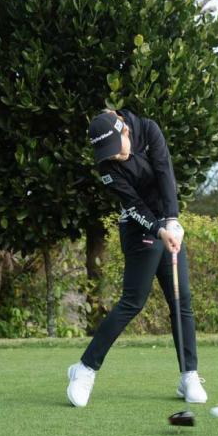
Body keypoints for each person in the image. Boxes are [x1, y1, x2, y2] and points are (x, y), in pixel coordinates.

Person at [66, 108, 207, 407]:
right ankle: (85, 369)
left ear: (125, 131)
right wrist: (159, 230)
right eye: (108, 153)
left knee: (181, 301)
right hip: (138, 227)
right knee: (133, 302)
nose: (115, 157)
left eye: (116, 149)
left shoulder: (149, 130)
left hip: (167, 222)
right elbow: (133, 204)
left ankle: (189, 375)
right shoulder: (107, 166)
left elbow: (165, 172)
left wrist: (172, 220)